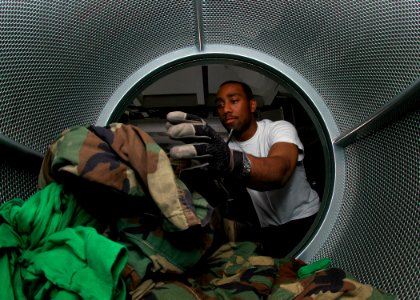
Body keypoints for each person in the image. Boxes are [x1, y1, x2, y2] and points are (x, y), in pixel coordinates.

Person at [166, 80, 320, 257]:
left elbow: (280, 172)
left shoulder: (278, 129)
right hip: (269, 231)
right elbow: (223, 195)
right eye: (220, 105)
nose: (226, 110)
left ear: (252, 105)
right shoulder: (225, 149)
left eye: (234, 101)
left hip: (306, 220)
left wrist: (232, 161)